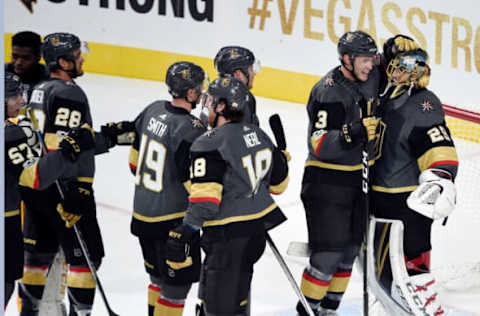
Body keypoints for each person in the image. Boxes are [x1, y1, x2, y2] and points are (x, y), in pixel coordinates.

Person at [19, 32, 132, 316]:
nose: (82, 60)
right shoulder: (70, 92)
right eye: (77, 56)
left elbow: (59, 139)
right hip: (64, 187)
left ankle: (28, 311)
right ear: (63, 61)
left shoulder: (39, 88)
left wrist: (107, 138)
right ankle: (80, 313)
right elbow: (67, 148)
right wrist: (80, 190)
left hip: (36, 184)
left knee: (38, 255)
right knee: (88, 256)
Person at [165, 76, 290, 316]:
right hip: (255, 236)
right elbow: (279, 185)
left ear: (222, 106)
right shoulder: (259, 134)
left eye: (211, 100)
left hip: (227, 239)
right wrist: (281, 157)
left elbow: (205, 202)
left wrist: (187, 230)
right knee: (237, 302)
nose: (207, 105)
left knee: (219, 309)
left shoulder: (209, 143)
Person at [297, 30, 381, 316]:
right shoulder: (329, 91)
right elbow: (319, 143)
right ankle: (306, 311)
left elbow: (387, 68)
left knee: (348, 254)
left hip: (354, 181)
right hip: (325, 183)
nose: (370, 65)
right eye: (364, 59)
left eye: (373, 58)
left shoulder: (366, 77)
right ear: (347, 59)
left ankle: (328, 311)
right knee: (328, 256)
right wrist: (353, 131)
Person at [370, 45, 458, 315]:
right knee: (383, 277)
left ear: (414, 74)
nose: (392, 71)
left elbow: (439, 146)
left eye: (400, 68)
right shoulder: (387, 96)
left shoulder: (422, 103)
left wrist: (440, 176)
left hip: (408, 204)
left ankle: (426, 305)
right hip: (379, 199)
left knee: (412, 268)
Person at [4, 72, 95, 309]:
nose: (20, 101)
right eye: (14, 96)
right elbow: (36, 177)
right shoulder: (10, 135)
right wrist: (70, 149)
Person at [128, 61, 207, 316]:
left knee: (157, 281)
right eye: (199, 88)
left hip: (142, 217)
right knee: (175, 290)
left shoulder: (152, 110)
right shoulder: (192, 129)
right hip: (172, 223)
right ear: (191, 93)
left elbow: (133, 163)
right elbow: (193, 183)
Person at [213, 46, 261, 125]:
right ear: (238, 74)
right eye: (251, 69)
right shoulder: (243, 101)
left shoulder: (212, 95)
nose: (253, 73)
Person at [5, 31, 49, 102]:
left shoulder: (50, 78)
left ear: (38, 57)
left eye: (26, 58)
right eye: (14, 56)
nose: (19, 62)